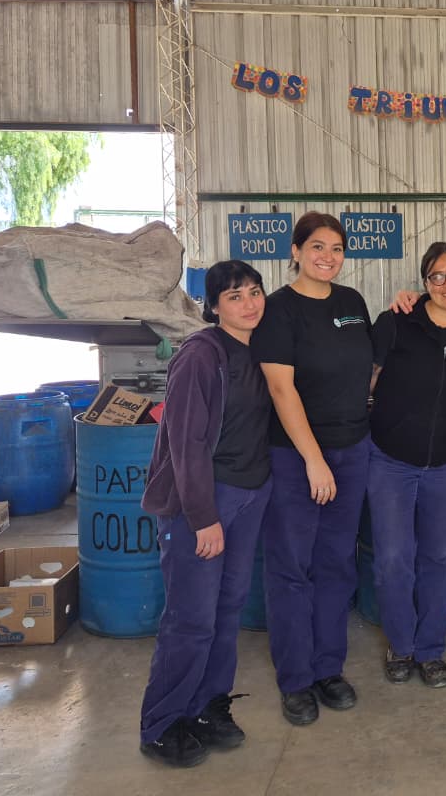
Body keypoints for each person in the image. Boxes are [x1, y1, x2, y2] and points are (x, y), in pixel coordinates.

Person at [139, 261, 271, 768]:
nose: (249, 303)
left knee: (226, 611)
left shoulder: (259, 350)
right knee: (191, 618)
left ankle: (207, 706)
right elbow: (186, 443)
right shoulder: (201, 355)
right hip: (204, 502)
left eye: (255, 292)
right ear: (214, 306)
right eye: (235, 296)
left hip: (250, 496)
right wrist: (201, 515)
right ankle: (162, 722)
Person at [251, 212, 373, 726]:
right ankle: (296, 678)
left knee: (337, 566)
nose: (328, 256)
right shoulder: (278, 312)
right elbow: (282, 390)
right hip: (297, 458)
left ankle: (328, 668)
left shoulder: (352, 303)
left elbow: (368, 371)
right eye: (317, 246)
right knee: (291, 567)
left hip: (354, 450)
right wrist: (315, 460)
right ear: (296, 251)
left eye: (337, 248)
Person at [366, 241, 446, 689]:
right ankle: (401, 645)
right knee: (395, 558)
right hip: (390, 461)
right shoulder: (396, 323)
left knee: (439, 557)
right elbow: (369, 377)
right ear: (424, 283)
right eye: (438, 276)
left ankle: (431, 649)